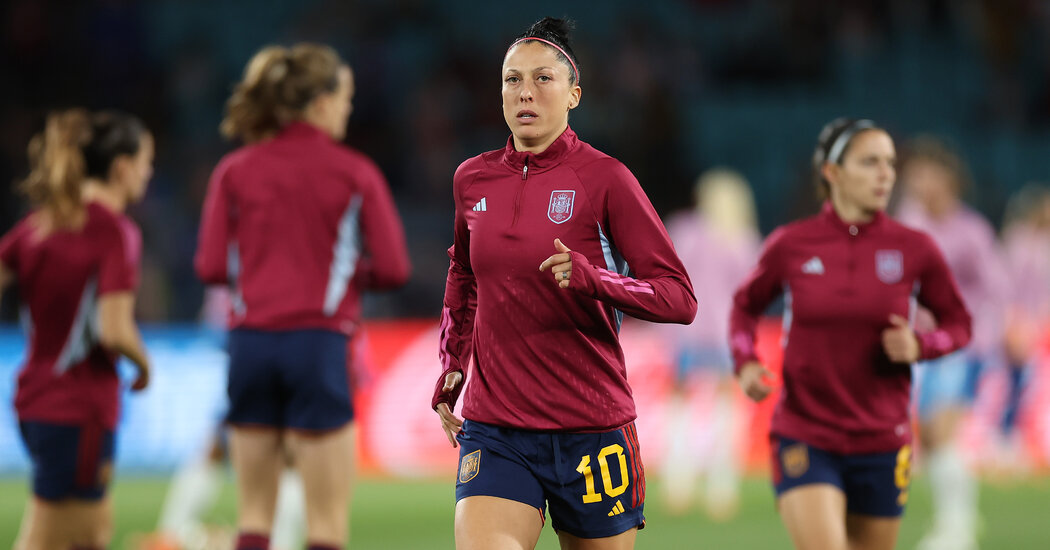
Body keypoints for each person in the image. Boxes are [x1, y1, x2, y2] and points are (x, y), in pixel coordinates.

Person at [431, 17, 697, 550]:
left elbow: (679, 297)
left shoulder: (606, 178)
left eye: (543, 78)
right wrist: (453, 362)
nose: (525, 91)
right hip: (497, 427)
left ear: (574, 94)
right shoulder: (472, 178)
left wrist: (596, 280)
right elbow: (463, 275)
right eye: (512, 79)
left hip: (592, 429)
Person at [195, 43, 411, 550]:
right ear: (320, 101)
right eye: (345, 99)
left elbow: (210, 267)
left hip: (249, 346)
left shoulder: (234, 170)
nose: (347, 110)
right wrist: (342, 273)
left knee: (253, 520)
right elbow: (394, 269)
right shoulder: (354, 172)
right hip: (318, 345)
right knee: (325, 525)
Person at [729, 118, 972, 550]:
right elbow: (745, 306)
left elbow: (959, 324)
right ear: (833, 172)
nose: (886, 175)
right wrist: (746, 362)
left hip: (883, 439)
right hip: (806, 433)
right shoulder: (792, 244)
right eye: (870, 162)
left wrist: (921, 344)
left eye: (890, 164)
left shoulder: (915, 247)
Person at [0, 108, 153, 550]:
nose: (149, 173)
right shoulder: (114, 232)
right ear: (121, 168)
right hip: (78, 407)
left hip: (37, 400)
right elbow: (113, 330)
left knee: (92, 535)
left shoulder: (40, 224)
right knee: (49, 539)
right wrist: (145, 365)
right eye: (146, 161)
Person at [895, 137, 1010, 550]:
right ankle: (958, 516)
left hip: (960, 346)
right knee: (928, 436)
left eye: (928, 175)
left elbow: (997, 288)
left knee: (943, 429)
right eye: (915, 177)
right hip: (920, 346)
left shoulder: (971, 231)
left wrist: (995, 332)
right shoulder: (910, 225)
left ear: (949, 180)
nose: (920, 185)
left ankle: (955, 529)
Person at [658, 168, 760, 519]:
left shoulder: (686, 231)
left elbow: (669, 274)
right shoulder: (743, 239)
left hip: (687, 327)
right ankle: (721, 484)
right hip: (724, 333)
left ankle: (679, 480)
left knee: (681, 402)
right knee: (726, 406)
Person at [991, 184, 1050, 474]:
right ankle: (1006, 436)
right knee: (1013, 382)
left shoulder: (1043, 244)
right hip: (1018, 320)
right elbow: (1008, 286)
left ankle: (1023, 437)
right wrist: (1011, 320)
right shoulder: (1019, 241)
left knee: (1033, 384)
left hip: (1039, 323)